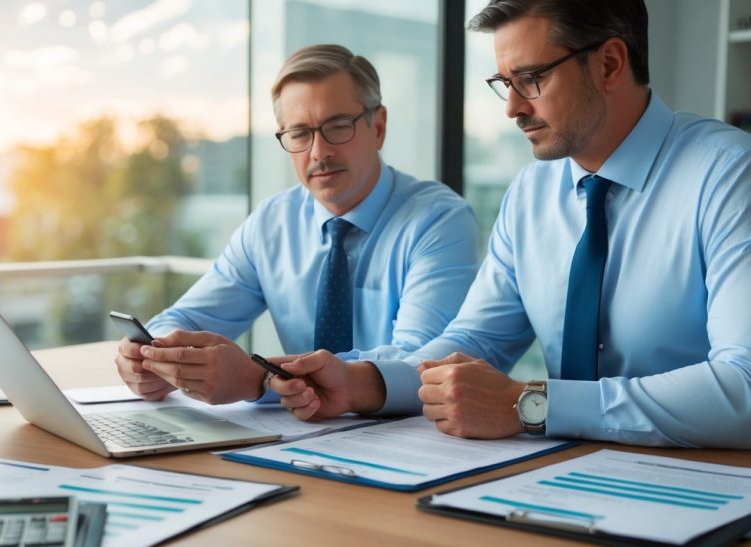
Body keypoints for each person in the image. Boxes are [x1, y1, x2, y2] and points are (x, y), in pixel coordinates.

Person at [274, 0, 751, 448]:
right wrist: (363, 384)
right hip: (556, 472)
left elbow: (744, 384)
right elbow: (476, 341)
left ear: (609, 64)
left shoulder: (730, 176)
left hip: (700, 476)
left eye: (531, 78)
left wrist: (532, 405)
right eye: (505, 82)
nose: (512, 107)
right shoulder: (531, 191)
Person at [115, 44, 478, 406]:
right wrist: (153, 357)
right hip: (297, 429)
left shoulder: (439, 220)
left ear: (379, 127)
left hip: (405, 432)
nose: (319, 152)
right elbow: (188, 318)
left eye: (338, 127)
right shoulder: (271, 224)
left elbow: (419, 363)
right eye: (300, 134)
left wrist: (261, 379)